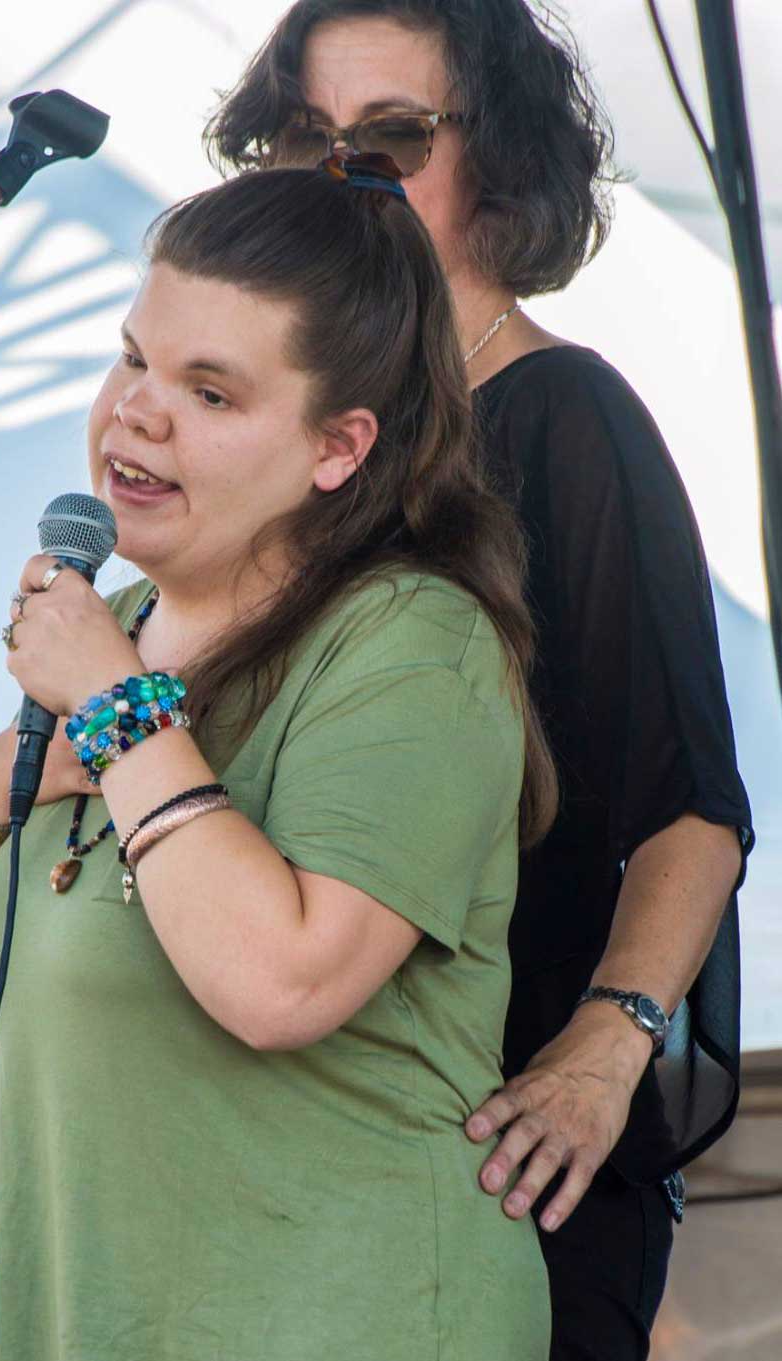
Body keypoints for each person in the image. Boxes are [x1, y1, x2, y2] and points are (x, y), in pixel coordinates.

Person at [0, 156, 559, 1360]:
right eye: (134, 357)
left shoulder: (414, 641)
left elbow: (281, 984)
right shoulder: (118, 633)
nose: (136, 411)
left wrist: (116, 709)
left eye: (210, 391)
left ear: (337, 447)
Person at [204, 2, 753, 1358]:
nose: (347, 178)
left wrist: (607, 1047)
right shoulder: (303, 448)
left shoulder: (566, 419)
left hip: (509, 1166)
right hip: (302, 1155)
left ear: (498, 165)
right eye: (308, 141)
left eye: (391, 139)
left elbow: (691, 809)